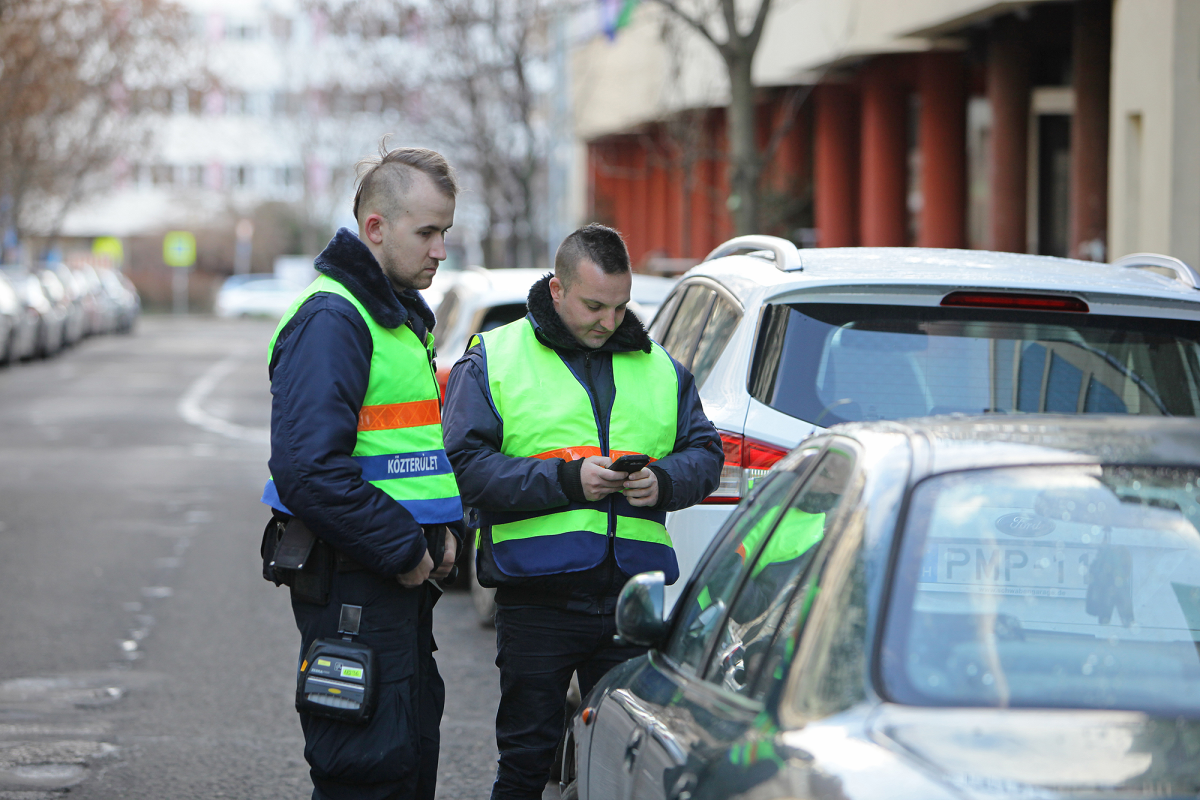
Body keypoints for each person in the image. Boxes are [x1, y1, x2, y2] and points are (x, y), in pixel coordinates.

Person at [442, 223, 723, 800]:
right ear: (557, 289)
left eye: (621, 307)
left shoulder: (660, 366)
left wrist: (663, 482)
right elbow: (465, 468)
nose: (609, 321)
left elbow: (707, 454)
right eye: (594, 305)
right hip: (537, 596)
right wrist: (567, 481)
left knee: (623, 770)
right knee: (526, 759)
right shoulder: (495, 357)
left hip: (631, 602)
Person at [261, 145, 464, 800]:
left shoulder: (390, 316)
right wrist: (406, 547)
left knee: (400, 759)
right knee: (368, 773)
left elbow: (406, 459)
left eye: (445, 233)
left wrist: (441, 535)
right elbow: (309, 471)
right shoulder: (334, 318)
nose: (440, 249)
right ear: (376, 228)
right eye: (427, 232)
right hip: (359, 581)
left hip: (386, 584)